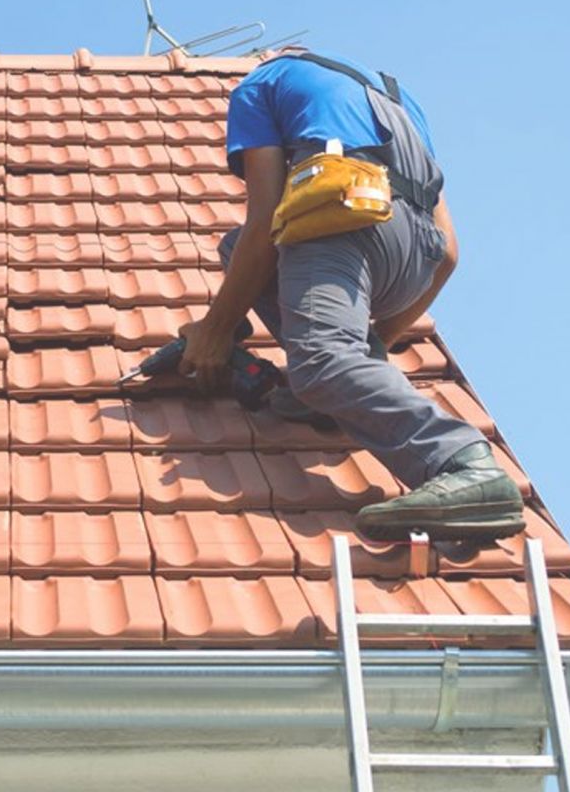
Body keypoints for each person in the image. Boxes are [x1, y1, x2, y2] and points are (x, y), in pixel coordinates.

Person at [177, 49, 525, 541]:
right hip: (413, 259)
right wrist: (376, 342)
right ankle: (341, 388)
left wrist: (214, 331)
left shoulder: (258, 87)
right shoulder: (395, 98)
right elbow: (448, 254)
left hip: (345, 223)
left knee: (318, 360)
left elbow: (263, 225)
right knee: (238, 252)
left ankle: (463, 464)